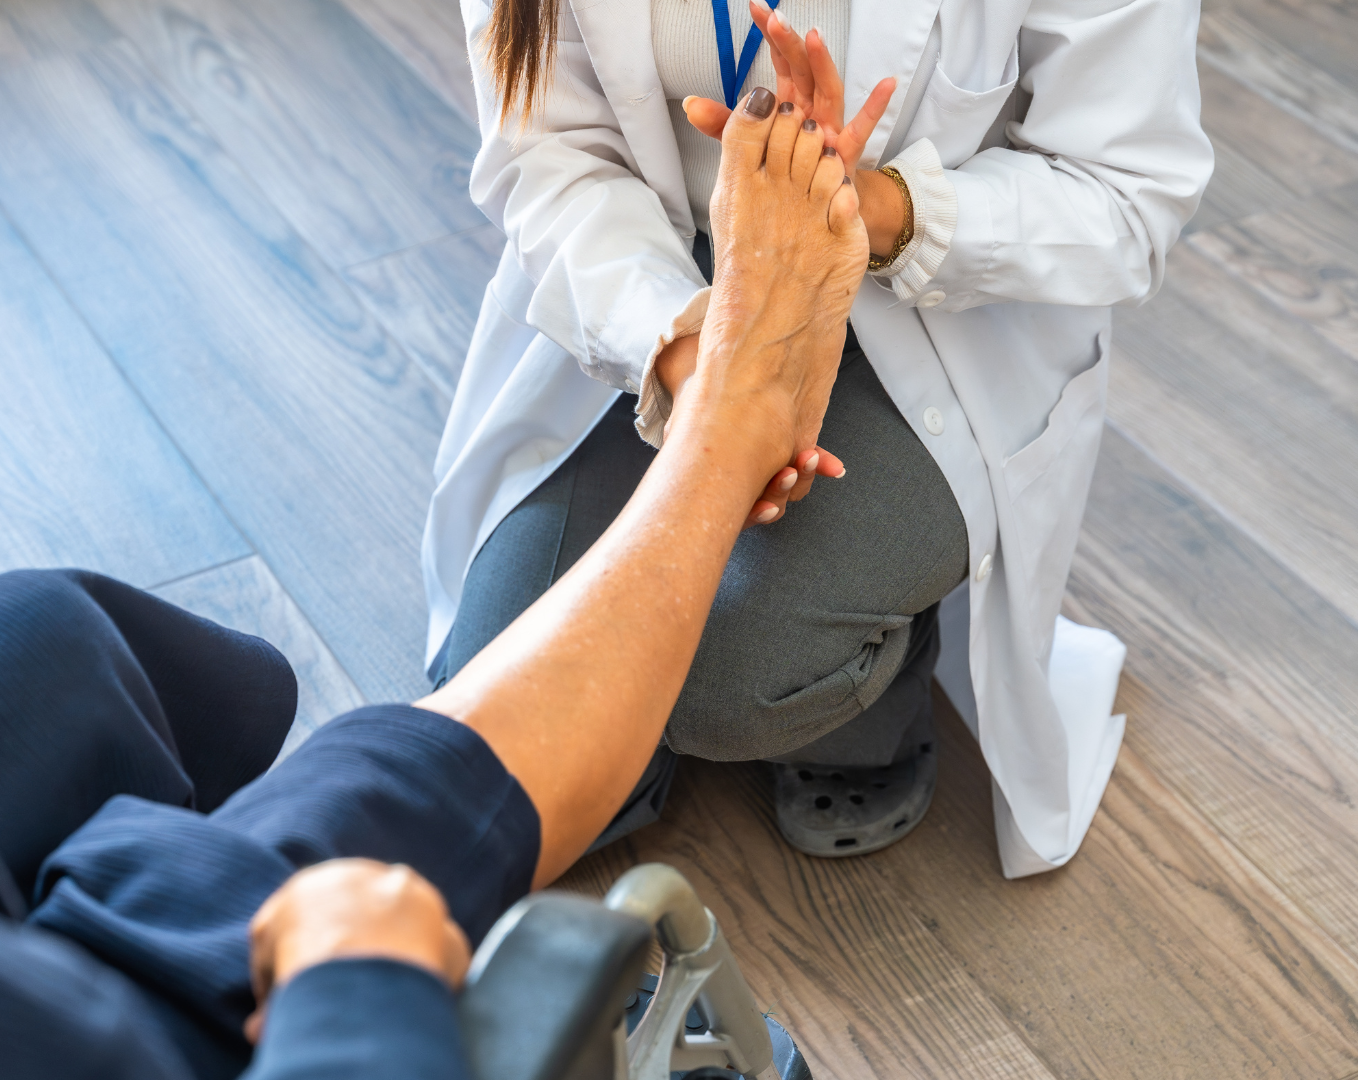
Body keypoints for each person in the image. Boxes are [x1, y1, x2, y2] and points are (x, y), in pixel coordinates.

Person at [0, 2, 866, 1076]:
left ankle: (178, 857)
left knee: (44, 643)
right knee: (344, 835)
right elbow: (541, 147)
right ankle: (724, 430)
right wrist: (357, 988)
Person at [424, 0, 1211, 870]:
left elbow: (1129, 195)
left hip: (922, 310)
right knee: (497, 689)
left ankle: (879, 687)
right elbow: (550, 155)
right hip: (666, 267)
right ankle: (669, 713)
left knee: (727, 680)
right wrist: (693, 362)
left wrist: (871, 209)